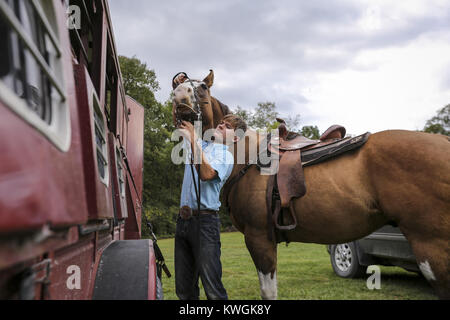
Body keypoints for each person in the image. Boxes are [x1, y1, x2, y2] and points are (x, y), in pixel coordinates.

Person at [175, 114, 247, 300]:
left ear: (236, 137)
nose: (222, 125)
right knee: (184, 290)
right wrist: (178, 90)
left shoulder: (226, 155)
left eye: (228, 126)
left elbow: (206, 174)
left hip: (205, 223)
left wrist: (192, 140)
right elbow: (180, 120)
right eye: (221, 123)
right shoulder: (200, 145)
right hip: (182, 221)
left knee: (213, 289)